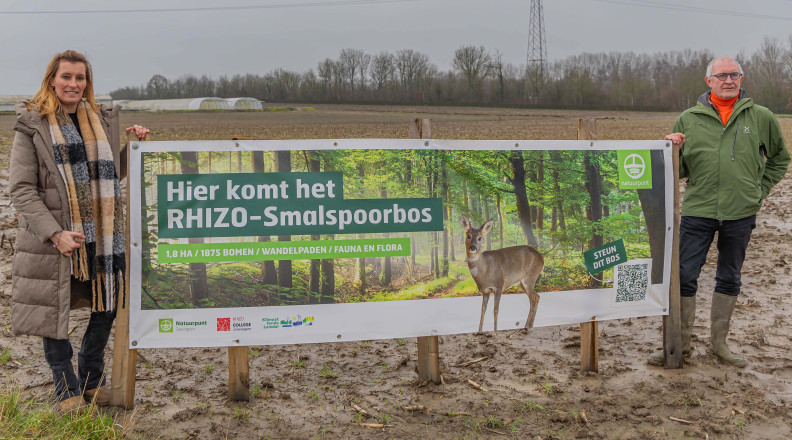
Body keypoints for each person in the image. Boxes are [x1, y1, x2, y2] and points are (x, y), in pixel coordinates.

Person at [10, 50, 150, 412]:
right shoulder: (33, 124)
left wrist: (133, 149)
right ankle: (64, 386)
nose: (74, 84)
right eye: (66, 77)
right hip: (55, 239)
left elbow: (104, 176)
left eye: (80, 78)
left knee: (106, 305)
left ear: (87, 82)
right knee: (53, 309)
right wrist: (55, 234)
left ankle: (91, 377)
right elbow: (22, 190)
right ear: (51, 80)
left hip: (101, 237)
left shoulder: (99, 120)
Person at [649, 56, 790, 368]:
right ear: (708, 81)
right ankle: (680, 345)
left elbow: (780, 158)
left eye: (734, 75)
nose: (729, 80)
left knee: (729, 275)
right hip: (699, 210)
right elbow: (680, 170)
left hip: (741, 212)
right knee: (684, 275)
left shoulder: (761, 117)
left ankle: (719, 345)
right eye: (722, 75)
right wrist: (674, 148)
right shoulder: (688, 118)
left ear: (742, 79)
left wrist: (759, 190)